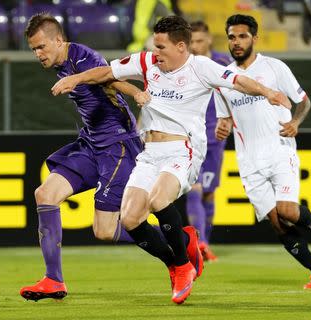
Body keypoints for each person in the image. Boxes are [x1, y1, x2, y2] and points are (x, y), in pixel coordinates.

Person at [52, 15, 290, 304]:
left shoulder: (201, 68)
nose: (156, 53)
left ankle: (181, 267)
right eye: (154, 46)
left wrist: (268, 91)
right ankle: (178, 261)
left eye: (162, 47)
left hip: (183, 149)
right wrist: (75, 78)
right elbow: (105, 72)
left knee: (158, 199)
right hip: (150, 153)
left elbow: (239, 81)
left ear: (180, 46)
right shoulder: (145, 62)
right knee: (128, 219)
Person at [19, 13, 144, 301]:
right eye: (34, 49)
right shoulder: (61, 62)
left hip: (117, 145)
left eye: (41, 47)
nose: (38, 54)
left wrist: (135, 93)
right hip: (91, 144)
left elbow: (110, 78)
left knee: (105, 229)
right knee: (45, 194)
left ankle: (177, 240)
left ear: (59, 40)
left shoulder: (82, 57)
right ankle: (53, 280)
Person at [215, 14, 311, 289]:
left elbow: (304, 102)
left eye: (242, 36)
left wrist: (296, 122)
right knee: (277, 223)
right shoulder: (224, 78)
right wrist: (222, 127)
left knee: (286, 209)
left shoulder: (274, 68)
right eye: (231, 37)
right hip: (248, 161)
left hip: (278, 150)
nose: (236, 42)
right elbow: (225, 117)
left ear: (254, 38)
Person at [186, 20, 232, 262]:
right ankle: (200, 243)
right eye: (191, 41)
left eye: (199, 41)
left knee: (208, 193)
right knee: (194, 190)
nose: (195, 46)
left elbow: (237, 95)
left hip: (215, 140)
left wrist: (232, 121)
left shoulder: (224, 64)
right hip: (190, 138)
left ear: (209, 40)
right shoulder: (183, 65)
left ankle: (206, 242)